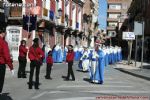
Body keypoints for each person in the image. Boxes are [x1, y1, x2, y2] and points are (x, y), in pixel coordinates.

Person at [0, 28, 14, 93]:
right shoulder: (3, 43)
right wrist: (11, 67)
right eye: (5, 33)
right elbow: (7, 56)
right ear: (3, 33)